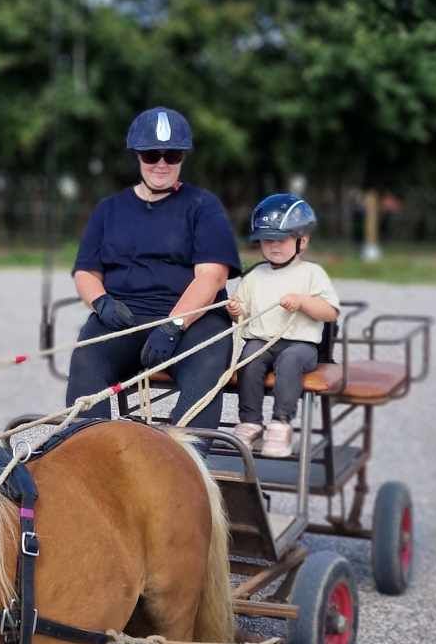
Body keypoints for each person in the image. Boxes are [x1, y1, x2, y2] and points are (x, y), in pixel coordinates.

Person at [65, 107, 241, 431]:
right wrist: (101, 302)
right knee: (87, 357)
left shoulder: (203, 206)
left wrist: (174, 324)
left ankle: (188, 456)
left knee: (207, 361)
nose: (161, 163)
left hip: (192, 323)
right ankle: (92, 448)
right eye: (151, 154)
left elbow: (211, 275)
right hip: (124, 318)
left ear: (182, 158)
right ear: (138, 156)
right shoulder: (109, 209)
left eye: (171, 155)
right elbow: (86, 272)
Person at [226, 194, 340, 457]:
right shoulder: (254, 275)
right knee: (249, 359)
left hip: (301, 345)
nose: (274, 246)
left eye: (282, 239)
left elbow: (330, 312)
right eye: (268, 240)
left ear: (303, 241)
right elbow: (243, 313)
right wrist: (236, 310)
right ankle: (250, 422)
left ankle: (281, 422)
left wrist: (303, 301)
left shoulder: (312, 273)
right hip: (262, 341)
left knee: (290, 361)